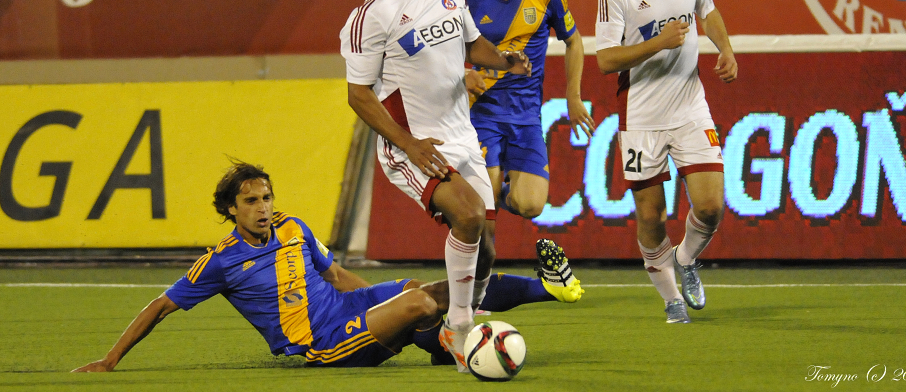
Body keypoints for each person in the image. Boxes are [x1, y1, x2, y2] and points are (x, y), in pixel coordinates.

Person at [72, 162, 584, 372]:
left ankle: (549, 289)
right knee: (421, 303)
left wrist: (385, 308)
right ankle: (446, 341)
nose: (263, 207)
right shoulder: (221, 262)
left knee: (424, 289)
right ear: (231, 209)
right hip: (321, 342)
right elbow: (161, 306)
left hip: (347, 309)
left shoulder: (293, 228)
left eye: (267, 197)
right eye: (251, 201)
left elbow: (336, 275)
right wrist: (111, 359)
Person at [340, 0, 545, 371]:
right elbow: (358, 95)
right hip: (413, 146)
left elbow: (471, 44)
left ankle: (441, 331)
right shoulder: (372, 15)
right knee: (468, 216)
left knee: (486, 251)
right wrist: (408, 144)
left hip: (461, 134)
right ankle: (458, 329)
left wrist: (504, 60)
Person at [594, 0, 738, 324]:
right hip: (642, 116)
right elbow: (605, 60)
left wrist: (726, 48)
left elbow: (708, 12)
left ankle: (686, 258)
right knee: (651, 216)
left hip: (690, 107)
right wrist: (659, 41)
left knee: (710, 207)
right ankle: (672, 299)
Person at [463, 0, 593, 303]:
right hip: (483, 116)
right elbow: (447, 55)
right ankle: (473, 299)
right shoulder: (467, 2)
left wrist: (573, 96)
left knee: (531, 205)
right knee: (483, 219)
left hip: (525, 119)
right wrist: (464, 75)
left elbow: (574, 41)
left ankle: (495, 184)